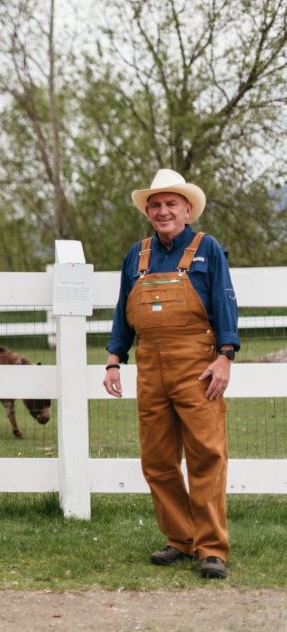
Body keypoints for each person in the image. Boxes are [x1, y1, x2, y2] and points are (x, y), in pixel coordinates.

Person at [103, 169, 239, 579]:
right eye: (156, 205)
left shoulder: (207, 249)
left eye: (171, 204)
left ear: (187, 209)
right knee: (157, 461)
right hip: (150, 367)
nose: (163, 211)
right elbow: (122, 311)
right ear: (148, 211)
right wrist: (114, 359)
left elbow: (225, 301)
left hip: (197, 366)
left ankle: (212, 548)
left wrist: (225, 355)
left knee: (207, 456)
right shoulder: (137, 255)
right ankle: (181, 539)